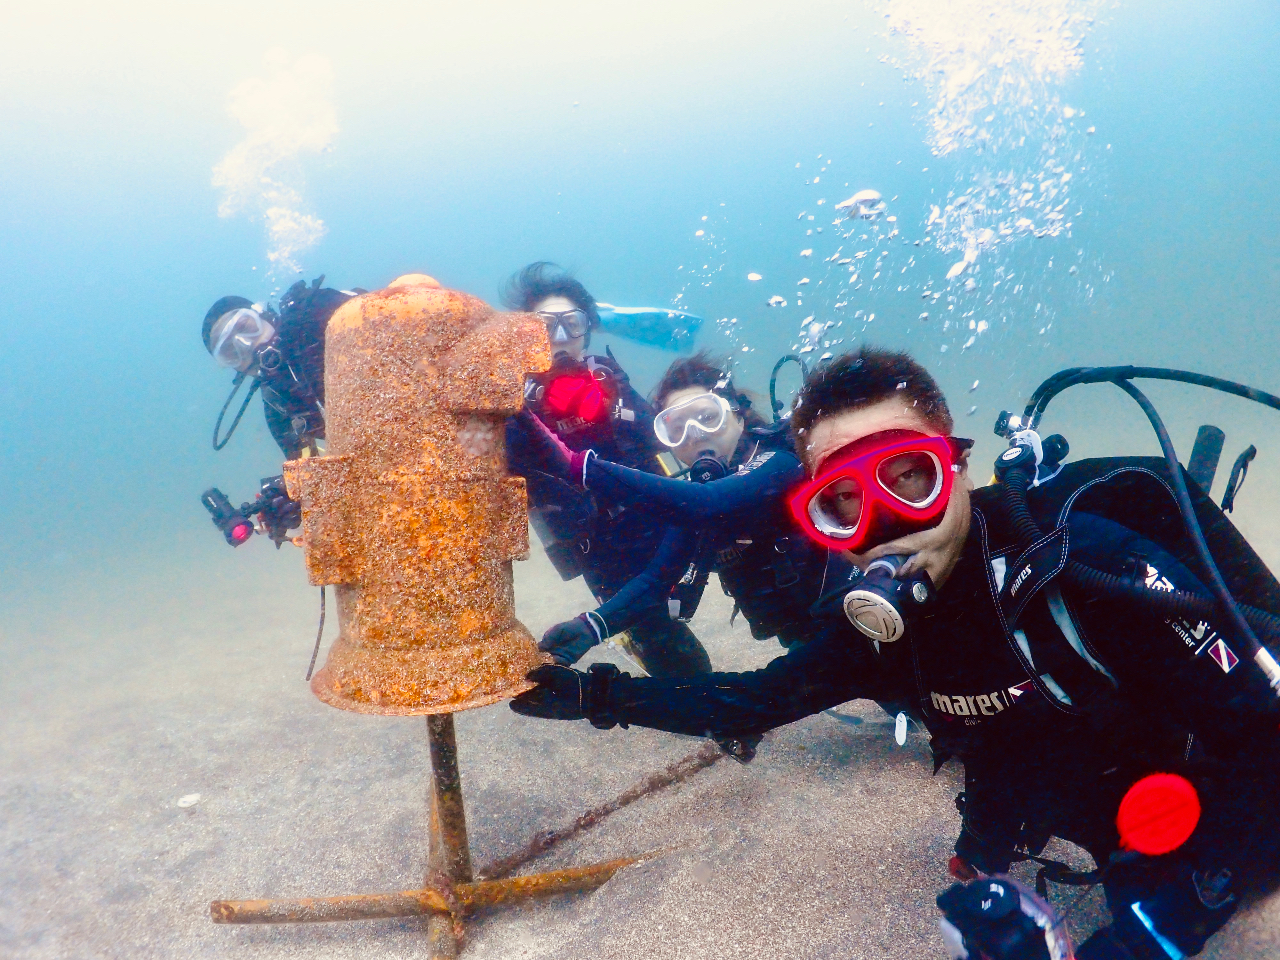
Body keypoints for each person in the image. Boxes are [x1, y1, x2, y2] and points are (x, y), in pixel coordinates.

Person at [512, 345, 1280, 959]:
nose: (884, 524)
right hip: (1074, 790)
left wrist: (1158, 927)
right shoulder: (879, 633)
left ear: (959, 468)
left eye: (910, 479)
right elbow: (752, 701)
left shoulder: (1081, 566)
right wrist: (596, 697)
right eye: (842, 503)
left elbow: (1268, 739)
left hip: (1198, 793)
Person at [521, 350, 838, 675]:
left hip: (857, 617)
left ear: (739, 417)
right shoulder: (696, 503)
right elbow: (656, 580)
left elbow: (709, 501)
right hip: (816, 640)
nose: (695, 434)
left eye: (707, 417)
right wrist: (592, 626)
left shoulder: (779, 461)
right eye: (676, 428)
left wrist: (577, 466)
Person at [503, 262, 712, 678]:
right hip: (594, 544)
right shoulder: (514, 402)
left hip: (655, 518)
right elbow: (504, 474)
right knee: (663, 641)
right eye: (545, 326)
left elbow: (661, 437)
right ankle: (653, 653)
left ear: (587, 329)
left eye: (572, 323)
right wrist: (520, 416)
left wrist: (616, 408)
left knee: (678, 606)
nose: (560, 337)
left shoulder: (610, 378)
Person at [200, 275, 361, 546]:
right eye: (231, 351)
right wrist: (290, 500)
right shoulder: (278, 407)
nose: (247, 345)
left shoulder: (314, 312)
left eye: (246, 328)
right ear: (233, 368)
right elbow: (315, 467)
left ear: (264, 315)